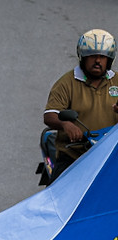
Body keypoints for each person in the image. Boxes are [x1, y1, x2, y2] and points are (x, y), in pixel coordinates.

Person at [43, 29, 118, 181]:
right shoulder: (67, 83)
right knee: (60, 199)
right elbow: (50, 115)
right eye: (93, 56)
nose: (98, 61)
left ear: (109, 60)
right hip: (74, 156)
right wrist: (65, 124)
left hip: (110, 155)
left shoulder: (116, 81)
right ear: (83, 57)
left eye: (102, 57)